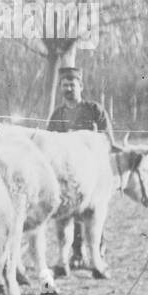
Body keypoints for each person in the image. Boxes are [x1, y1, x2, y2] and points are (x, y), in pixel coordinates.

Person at [48, 64, 116, 269]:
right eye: (65, 85)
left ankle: (97, 250)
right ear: (60, 88)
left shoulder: (94, 110)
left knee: (93, 211)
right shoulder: (57, 114)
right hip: (67, 172)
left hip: (93, 171)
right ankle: (75, 254)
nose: (69, 89)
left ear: (81, 86)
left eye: (72, 84)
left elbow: (108, 140)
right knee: (68, 213)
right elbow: (49, 144)